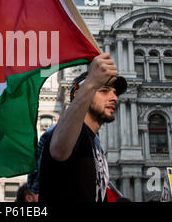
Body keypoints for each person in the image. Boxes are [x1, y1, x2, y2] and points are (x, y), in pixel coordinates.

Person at [39, 53, 127, 202]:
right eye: (104, 91)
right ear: (81, 93)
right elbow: (59, 151)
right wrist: (92, 82)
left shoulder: (96, 147)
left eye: (115, 92)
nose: (114, 98)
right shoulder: (68, 133)